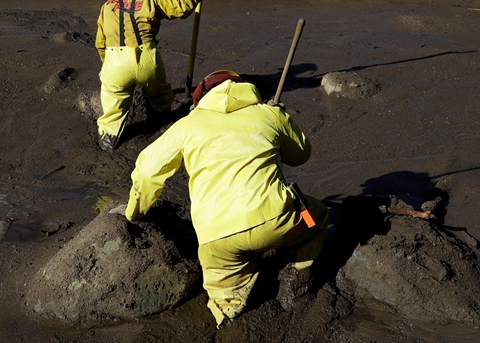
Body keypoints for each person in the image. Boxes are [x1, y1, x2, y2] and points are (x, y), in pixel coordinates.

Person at [125, 70, 328, 327]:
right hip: (277, 220)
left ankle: (227, 320)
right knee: (317, 217)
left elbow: (146, 171)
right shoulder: (268, 113)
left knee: (224, 305)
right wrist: (281, 117)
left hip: (215, 236)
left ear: (201, 99)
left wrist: (134, 213)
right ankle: (298, 277)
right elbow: (301, 154)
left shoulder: (188, 125)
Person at [94, 0, 208, 150]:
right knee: (160, 94)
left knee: (113, 110)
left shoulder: (107, 5)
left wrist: (107, 64)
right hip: (146, 57)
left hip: (114, 61)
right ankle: (159, 127)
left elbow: (100, 43)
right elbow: (183, 7)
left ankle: (108, 142)